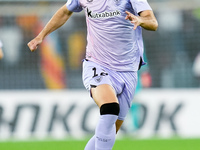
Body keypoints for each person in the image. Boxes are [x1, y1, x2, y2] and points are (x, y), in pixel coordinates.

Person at [27, 0, 158, 149]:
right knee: (110, 107)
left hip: (128, 70)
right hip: (97, 64)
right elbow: (65, 11)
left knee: (108, 131)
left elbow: (152, 22)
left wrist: (140, 19)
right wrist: (41, 36)